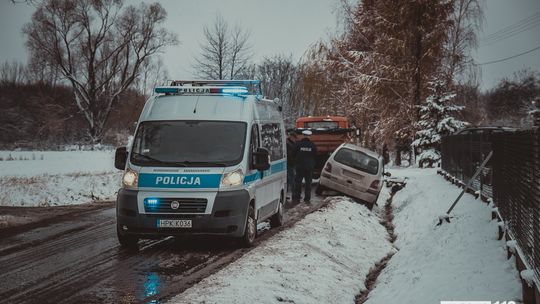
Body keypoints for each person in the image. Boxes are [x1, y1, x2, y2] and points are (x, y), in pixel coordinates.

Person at [292, 130, 317, 203]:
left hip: (300, 166)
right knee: (308, 183)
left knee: (298, 182)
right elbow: (315, 155)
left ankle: (296, 196)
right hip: (309, 167)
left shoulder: (298, 144)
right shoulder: (312, 145)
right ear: (309, 136)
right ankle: (307, 198)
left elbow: (293, 154)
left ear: (303, 135)